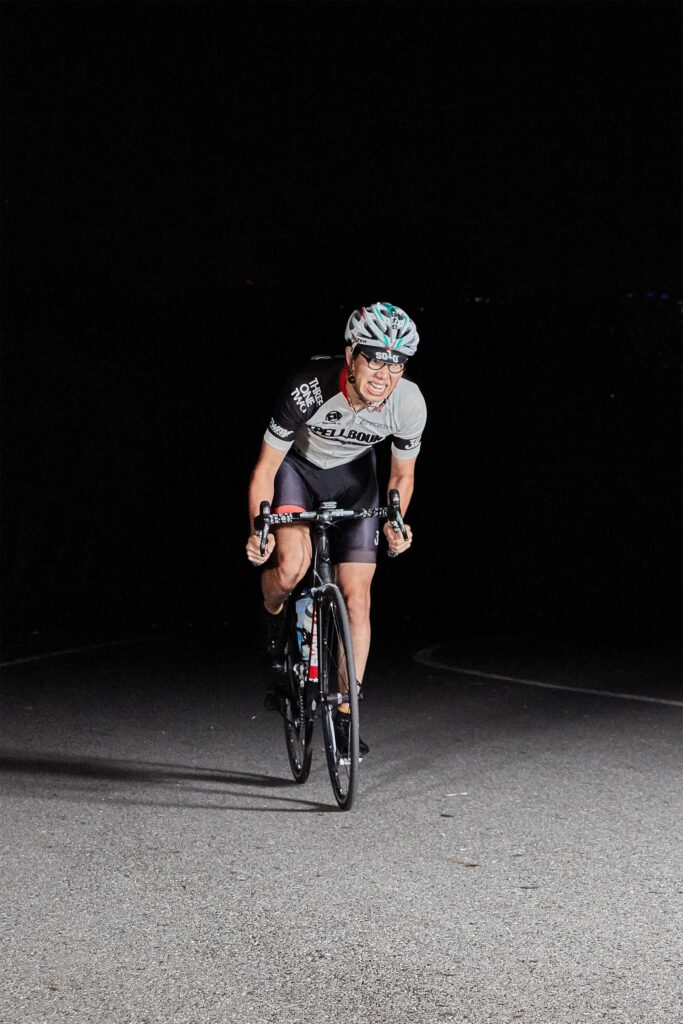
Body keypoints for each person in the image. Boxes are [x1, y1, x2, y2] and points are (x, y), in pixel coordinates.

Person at [245, 301, 427, 756]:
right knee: (291, 566)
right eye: (375, 359)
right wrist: (259, 528)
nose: (385, 374)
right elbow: (266, 468)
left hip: (355, 480)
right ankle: (272, 620)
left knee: (358, 597)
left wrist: (396, 521)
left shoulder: (408, 402)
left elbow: (401, 475)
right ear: (350, 355)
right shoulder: (309, 387)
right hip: (297, 471)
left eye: (397, 363)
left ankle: (346, 713)